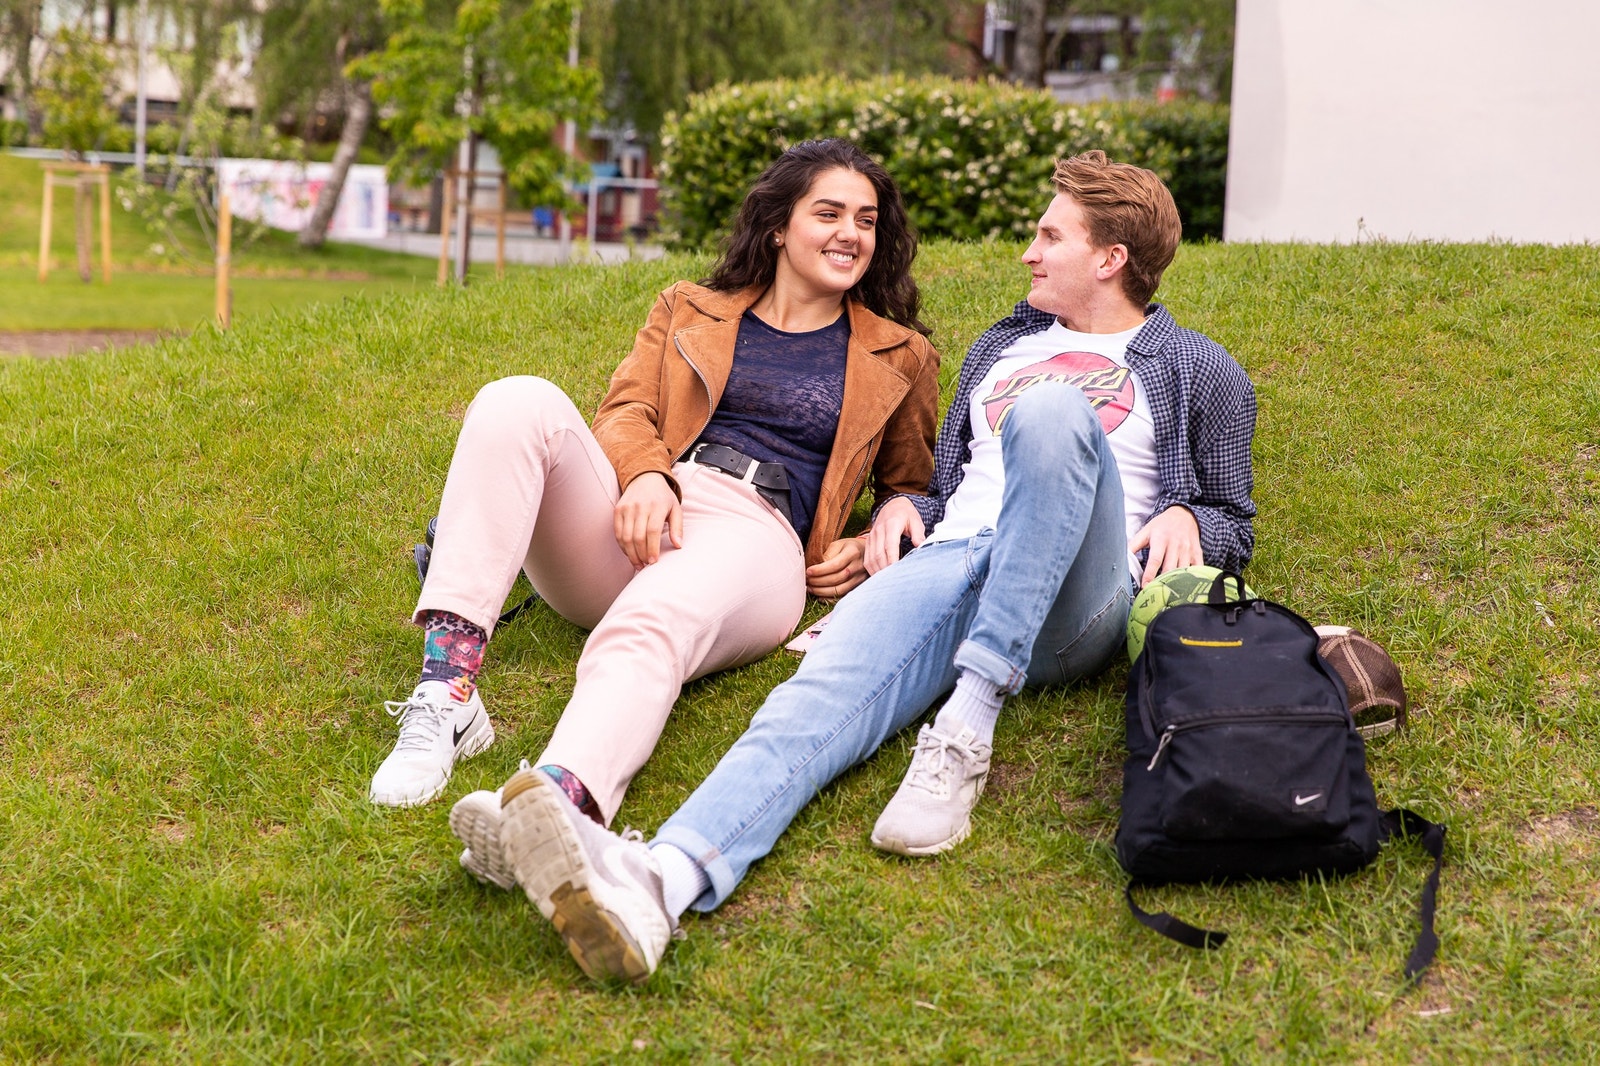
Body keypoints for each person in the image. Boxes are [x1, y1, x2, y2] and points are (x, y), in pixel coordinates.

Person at [484, 150, 1257, 984]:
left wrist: (1189, 513)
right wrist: (903, 511)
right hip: (953, 563)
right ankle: (663, 882)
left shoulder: (1198, 367)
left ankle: (969, 721)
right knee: (806, 707)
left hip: (1072, 600)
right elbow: (949, 487)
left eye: (1049, 236)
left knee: (1050, 416)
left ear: (1110, 259)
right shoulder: (1004, 345)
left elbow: (1233, 520)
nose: (1029, 253)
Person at [367, 140, 941, 851]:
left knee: (652, 621)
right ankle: (448, 694)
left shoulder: (899, 354)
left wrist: (868, 535)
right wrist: (644, 474)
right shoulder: (688, 307)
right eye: (828, 213)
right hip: (643, 514)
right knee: (516, 401)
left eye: (866, 219)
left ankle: (559, 803)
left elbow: (912, 486)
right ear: (779, 226)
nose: (850, 233)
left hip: (755, 540)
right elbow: (624, 411)